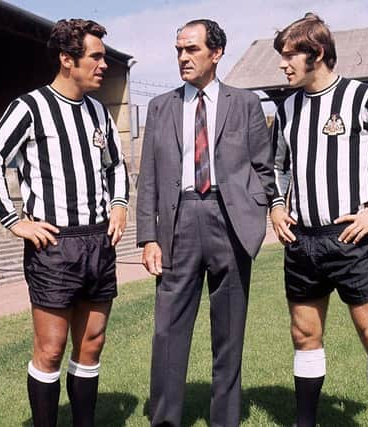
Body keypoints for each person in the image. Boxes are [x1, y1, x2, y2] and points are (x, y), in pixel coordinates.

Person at [269, 13, 368, 427]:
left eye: (289, 56)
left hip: (351, 240)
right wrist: (277, 205)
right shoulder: (286, 109)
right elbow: (276, 167)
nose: (283, 65)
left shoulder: (363, 97)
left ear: (316, 54)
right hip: (301, 241)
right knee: (304, 337)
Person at [0, 18, 129, 427]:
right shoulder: (30, 107)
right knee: (51, 349)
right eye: (95, 57)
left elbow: (117, 165)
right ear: (66, 59)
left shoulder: (98, 111)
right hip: (55, 246)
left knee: (92, 344)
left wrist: (118, 204)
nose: (103, 65)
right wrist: (14, 220)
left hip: (99, 242)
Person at [136, 18, 277, 427]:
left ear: (216, 53)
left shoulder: (246, 103)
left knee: (229, 335)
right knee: (167, 332)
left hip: (230, 221)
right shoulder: (160, 106)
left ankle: (225, 420)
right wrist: (148, 236)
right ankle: (165, 420)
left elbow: (263, 168)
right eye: (179, 49)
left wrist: (254, 213)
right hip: (177, 222)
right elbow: (147, 177)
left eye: (192, 49)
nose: (183, 57)